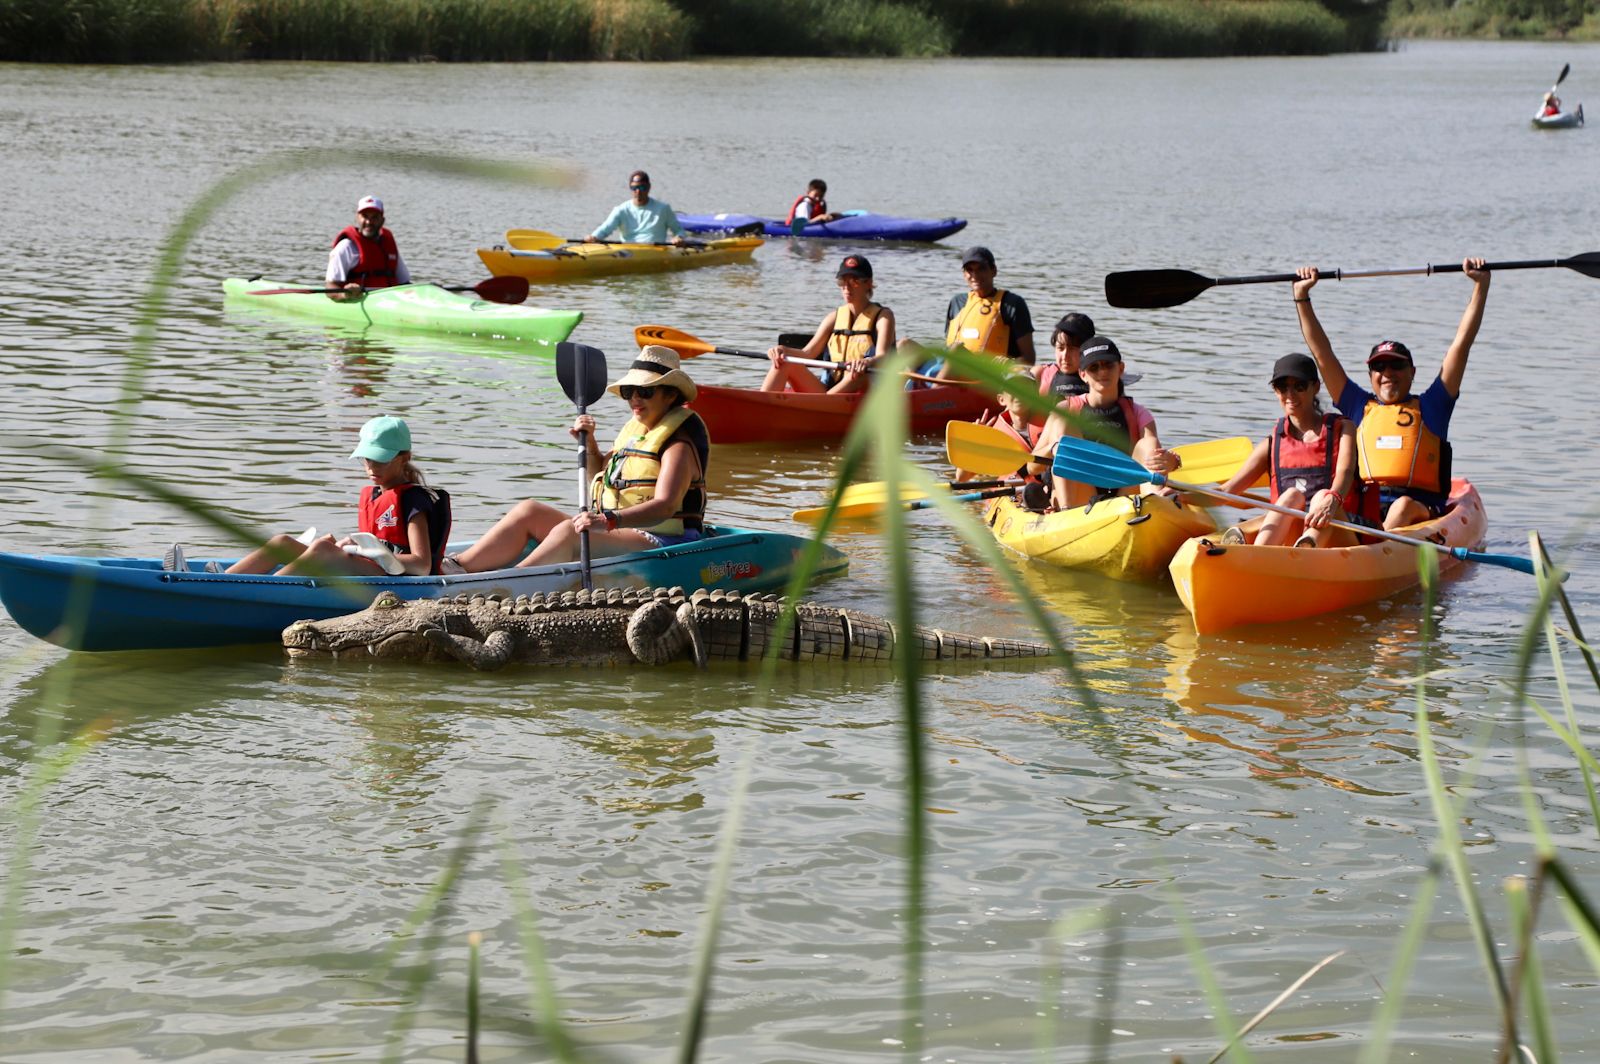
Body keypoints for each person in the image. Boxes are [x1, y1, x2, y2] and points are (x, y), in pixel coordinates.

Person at [446, 346, 709, 572]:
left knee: (569, 531)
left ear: (671, 394)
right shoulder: (636, 433)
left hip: (664, 540)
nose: (635, 399)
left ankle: (509, 582)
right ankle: (457, 566)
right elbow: (599, 474)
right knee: (529, 510)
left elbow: (664, 506)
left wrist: (608, 520)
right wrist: (590, 442)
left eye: (646, 392)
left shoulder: (678, 445)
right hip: (623, 529)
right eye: (630, 391)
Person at [1292, 257, 1488, 529]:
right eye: (1379, 367)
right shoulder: (1358, 406)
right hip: (1367, 510)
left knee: (1402, 506)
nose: (1387, 373)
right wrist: (1302, 297)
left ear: (1412, 372)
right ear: (1371, 375)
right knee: (1324, 498)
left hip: (1417, 511)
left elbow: (1461, 344)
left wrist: (1481, 286)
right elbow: (1322, 355)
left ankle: (1376, 552)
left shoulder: (1434, 405)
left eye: (1397, 365)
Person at [165, 416, 451, 576]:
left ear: (404, 458)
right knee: (282, 543)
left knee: (323, 551)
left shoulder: (414, 501)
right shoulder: (378, 493)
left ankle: (259, 590)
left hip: (399, 579)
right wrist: (351, 545)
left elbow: (423, 564)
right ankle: (222, 583)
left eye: (380, 461)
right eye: (366, 460)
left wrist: (371, 551)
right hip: (372, 567)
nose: (371, 468)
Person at [1215, 353, 1358, 548]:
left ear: (1315, 387)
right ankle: (1259, 556)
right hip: (1291, 538)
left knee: (1322, 496)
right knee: (1291, 496)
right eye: (1282, 388)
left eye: (1299, 386)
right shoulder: (1272, 442)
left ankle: (1305, 550)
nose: (1290, 395)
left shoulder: (1343, 429)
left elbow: (1345, 472)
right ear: (1276, 391)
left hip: (1337, 532)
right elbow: (1227, 491)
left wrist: (1333, 499)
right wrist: (1180, 496)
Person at [1030, 336, 1179, 511]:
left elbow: (1154, 454)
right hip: (1080, 496)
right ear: (1083, 375)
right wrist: (1055, 448)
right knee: (1065, 428)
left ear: (1121, 368)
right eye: (1094, 367)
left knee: (1149, 443)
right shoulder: (1065, 409)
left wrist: (1172, 462)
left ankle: (1155, 502)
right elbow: (1032, 467)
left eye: (1108, 365)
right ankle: (1066, 511)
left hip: (1124, 494)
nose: (1102, 372)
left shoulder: (1138, 412)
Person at [762, 254, 894, 394]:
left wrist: (866, 362)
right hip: (829, 391)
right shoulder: (834, 317)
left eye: (854, 281)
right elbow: (808, 353)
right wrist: (782, 350)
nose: (846, 288)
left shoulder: (884, 316)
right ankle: (762, 403)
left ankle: (820, 407)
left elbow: (882, 356)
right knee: (785, 362)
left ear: (868, 283)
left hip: (863, 389)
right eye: (842, 281)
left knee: (856, 375)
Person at [942, 246, 1036, 366]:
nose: (975, 274)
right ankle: (920, 382)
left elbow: (1029, 359)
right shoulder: (956, 302)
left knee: (956, 351)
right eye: (969, 270)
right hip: (952, 367)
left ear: (994, 271)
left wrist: (1008, 364)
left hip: (988, 373)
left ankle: (935, 385)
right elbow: (947, 345)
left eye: (981, 269)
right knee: (909, 345)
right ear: (964, 274)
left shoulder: (1012, 304)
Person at [327, 196, 411, 293]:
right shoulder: (345, 247)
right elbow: (331, 288)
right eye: (365, 216)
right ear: (357, 218)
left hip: (390, 300)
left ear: (382, 220)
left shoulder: (389, 246)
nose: (369, 222)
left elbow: (405, 283)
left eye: (374, 217)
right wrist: (345, 295)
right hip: (357, 299)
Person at [588, 170, 687, 245]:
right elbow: (605, 229)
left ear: (649, 187)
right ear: (630, 188)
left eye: (642, 188)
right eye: (634, 188)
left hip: (655, 250)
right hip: (629, 250)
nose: (638, 191)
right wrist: (593, 237)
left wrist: (679, 238)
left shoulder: (663, 209)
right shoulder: (620, 210)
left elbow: (679, 230)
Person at [1033, 312, 1095, 402]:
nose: (1065, 356)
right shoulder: (1041, 374)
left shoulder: (1102, 377)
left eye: (1072, 348)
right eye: (1060, 348)